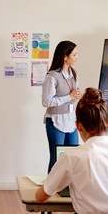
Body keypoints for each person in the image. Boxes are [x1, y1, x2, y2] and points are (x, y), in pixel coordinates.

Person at [42, 40, 83, 172]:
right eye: (74, 55)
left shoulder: (73, 73)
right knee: (56, 159)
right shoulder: (52, 76)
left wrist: (75, 96)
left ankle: (69, 185)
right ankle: (51, 185)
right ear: (65, 56)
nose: (77, 57)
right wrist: (69, 97)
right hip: (56, 120)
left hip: (70, 119)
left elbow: (71, 97)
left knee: (73, 157)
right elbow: (46, 102)